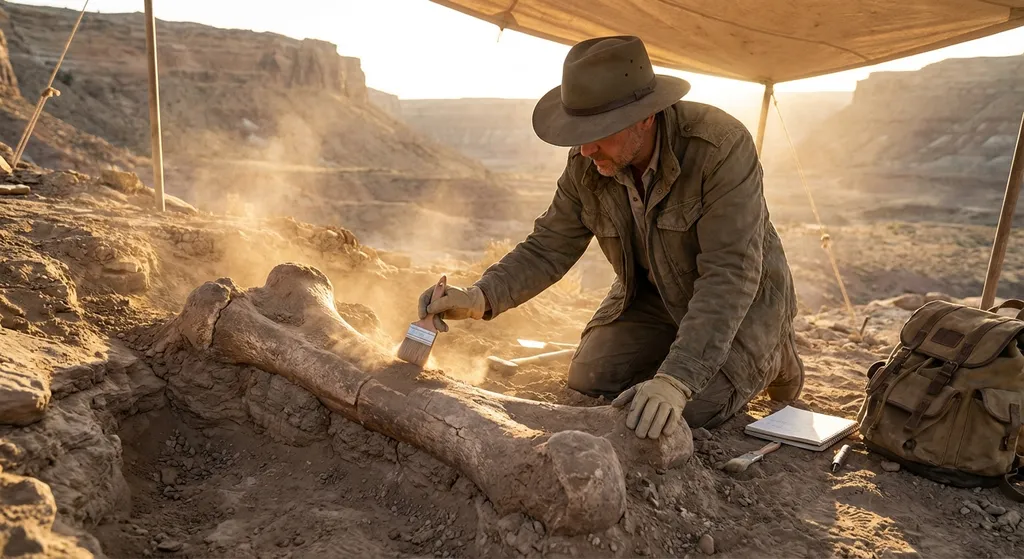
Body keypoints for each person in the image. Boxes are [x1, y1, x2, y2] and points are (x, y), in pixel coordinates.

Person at [417, 35, 804, 439]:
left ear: (645, 117)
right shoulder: (588, 160)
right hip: (653, 296)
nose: (585, 148)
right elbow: (549, 245)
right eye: (578, 131)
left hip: (744, 305)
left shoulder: (719, 148)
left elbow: (730, 273)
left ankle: (776, 355)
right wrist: (480, 297)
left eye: (599, 130)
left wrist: (676, 380)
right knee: (591, 377)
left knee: (687, 410)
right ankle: (681, 348)